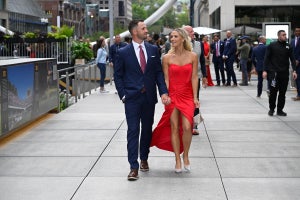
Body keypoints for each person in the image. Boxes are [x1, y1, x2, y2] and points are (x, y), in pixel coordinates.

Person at [114, 19, 169, 181]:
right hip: (131, 98)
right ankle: (133, 166)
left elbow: (158, 73)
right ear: (134, 32)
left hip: (149, 98)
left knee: (146, 129)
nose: (146, 30)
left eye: (146, 28)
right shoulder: (123, 52)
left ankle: (144, 157)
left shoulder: (153, 49)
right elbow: (118, 75)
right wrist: (123, 95)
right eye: (143, 28)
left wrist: (163, 92)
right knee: (133, 131)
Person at [151, 28, 199, 173]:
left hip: (187, 95)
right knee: (174, 127)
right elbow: (165, 78)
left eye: (175, 36)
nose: (172, 39)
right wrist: (165, 95)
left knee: (187, 126)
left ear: (183, 38)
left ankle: (186, 155)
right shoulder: (166, 58)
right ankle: (177, 158)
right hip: (172, 95)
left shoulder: (193, 56)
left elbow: (194, 77)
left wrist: (195, 97)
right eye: (171, 37)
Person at [263, 30, 297, 116]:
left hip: (284, 74)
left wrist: (294, 71)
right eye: (283, 35)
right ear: (278, 36)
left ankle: (280, 110)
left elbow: (292, 59)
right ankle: (271, 109)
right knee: (273, 93)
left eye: (285, 35)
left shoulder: (288, 46)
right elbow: (266, 58)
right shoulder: (272, 45)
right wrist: (264, 70)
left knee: (282, 93)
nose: (285, 36)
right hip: (274, 74)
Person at [182, 25, 207, 135]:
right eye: (191, 32)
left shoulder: (198, 44)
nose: (193, 33)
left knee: (195, 101)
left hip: (195, 77)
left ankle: (195, 125)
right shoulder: (179, 44)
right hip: (182, 79)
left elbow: (202, 61)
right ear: (185, 33)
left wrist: (204, 76)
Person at [290, 27, 300, 101]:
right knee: (296, 79)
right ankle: (298, 94)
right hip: (294, 63)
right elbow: (290, 51)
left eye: (298, 31)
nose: (297, 32)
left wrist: (298, 60)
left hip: (299, 62)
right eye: (296, 31)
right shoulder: (292, 41)